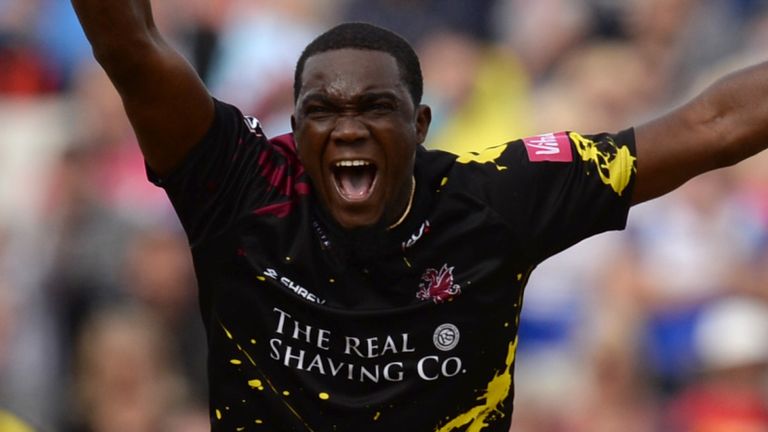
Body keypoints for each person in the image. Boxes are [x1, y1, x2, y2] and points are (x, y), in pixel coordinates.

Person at [70, 1, 768, 430]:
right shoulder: (243, 187)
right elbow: (129, 47)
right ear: (293, 126)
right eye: (323, 111)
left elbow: (712, 124)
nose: (346, 129)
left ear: (422, 124)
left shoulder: (494, 200)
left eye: (375, 108)